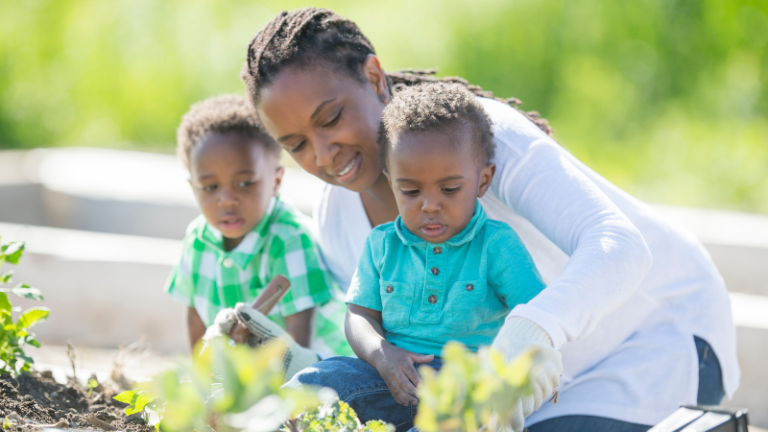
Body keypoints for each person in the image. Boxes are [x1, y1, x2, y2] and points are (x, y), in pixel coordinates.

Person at [242, 8, 738, 432]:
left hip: (652, 347)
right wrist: (297, 363)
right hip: (508, 401)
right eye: (297, 145)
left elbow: (619, 244)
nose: (325, 154)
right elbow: (394, 349)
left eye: (330, 119)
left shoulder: (477, 137)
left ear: (374, 77)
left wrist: (536, 329)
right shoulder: (339, 217)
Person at [284, 82, 551, 430]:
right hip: (389, 378)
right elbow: (359, 315)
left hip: (464, 390)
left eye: (450, 189)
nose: (429, 205)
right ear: (391, 181)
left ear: (483, 180)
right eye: (410, 191)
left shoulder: (496, 245)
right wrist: (382, 354)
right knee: (313, 384)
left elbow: (538, 316)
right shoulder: (382, 244)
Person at [164, 95, 354, 369]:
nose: (227, 200)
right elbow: (195, 316)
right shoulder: (197, 240)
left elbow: (300, 334)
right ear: (194, 188)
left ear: (276, 181)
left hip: (319, 365)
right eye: (210, 187)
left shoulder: (288, 239)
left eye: (245, 183)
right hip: (254, 369)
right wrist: (203, 380)